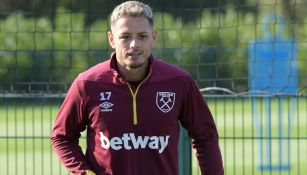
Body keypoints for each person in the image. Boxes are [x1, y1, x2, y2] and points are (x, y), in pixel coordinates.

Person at [51, 1, 224, 175]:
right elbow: (62, 136)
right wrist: (84, 173)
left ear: (153, 37)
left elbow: (206, 135)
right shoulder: (87, 84)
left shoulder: (179, 81)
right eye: (125, 36)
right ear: (111, 39)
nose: (134, 44)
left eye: (142, 36)